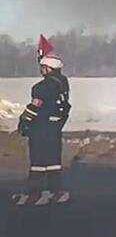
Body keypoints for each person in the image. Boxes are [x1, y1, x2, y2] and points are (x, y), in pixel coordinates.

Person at [17, 51, 71, 205]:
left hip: (40, 127)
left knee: (37, 162)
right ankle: (55, 190)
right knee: (53, 161)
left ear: (49, 68)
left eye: (43, 67)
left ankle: (35, 192)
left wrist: (24, 121)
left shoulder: (41, 87)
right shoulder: (63, 83)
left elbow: (35, 107)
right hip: (55, 128)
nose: (41, 70)